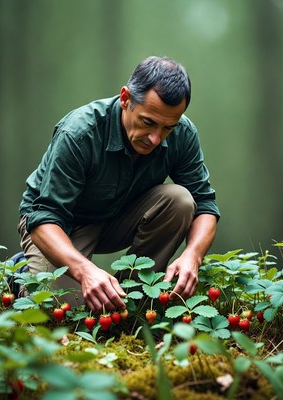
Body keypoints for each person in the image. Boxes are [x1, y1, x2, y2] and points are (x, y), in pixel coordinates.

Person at [18, 56, 220, 312]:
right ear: (125, 99)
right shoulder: (79, 133)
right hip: (60, 226)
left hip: (117, 217)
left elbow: (205, 205)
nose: (156, 138)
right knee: (62, 311)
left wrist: (193, 254)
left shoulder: (183, 134)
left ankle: (135, 302)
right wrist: (85, 271)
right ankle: (22, 277)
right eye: (148, 122)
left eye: (168, 128)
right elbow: (44, 217)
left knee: (180, 201)